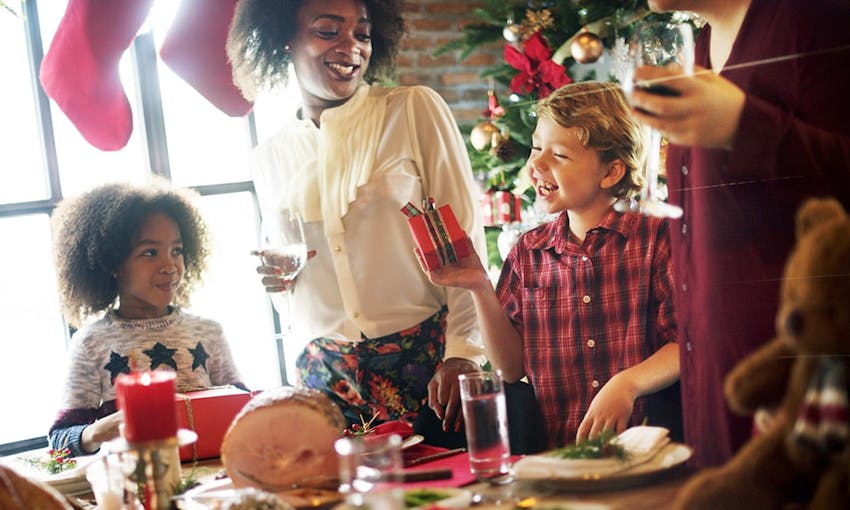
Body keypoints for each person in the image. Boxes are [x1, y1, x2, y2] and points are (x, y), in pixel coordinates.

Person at [226, 0, 486, 437]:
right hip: (323, 383)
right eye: (328, 31)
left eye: (362, 34)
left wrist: (464, 352)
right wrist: (279, 284)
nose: (351, 47)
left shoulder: (411, 110)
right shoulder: (270, 155)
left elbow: (467, 239)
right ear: (284, 38)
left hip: (428, 369)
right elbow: (296, 284)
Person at [631, 0, 850, 467]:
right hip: (718, 394)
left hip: (802, 404)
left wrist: (743, 125)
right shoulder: (703, 47)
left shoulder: (814, 21)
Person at [420, 81, 681, 448]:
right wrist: (480, 286)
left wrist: (628, 382)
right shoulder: (528, 252)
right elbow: (510, 368)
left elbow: (687, 342)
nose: (536, 165)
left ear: (611, 172)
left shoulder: (658, 239)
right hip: (561, 457)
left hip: (650, 454)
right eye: (536, 148)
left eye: (558, 156)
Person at [48, 181, 245, 457]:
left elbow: (244, 409)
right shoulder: (91, 343)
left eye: (176, 250)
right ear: (113, 263)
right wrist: (97, 431)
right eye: (150, 253)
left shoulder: (208, 332)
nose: (170, 266)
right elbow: (59, 442)